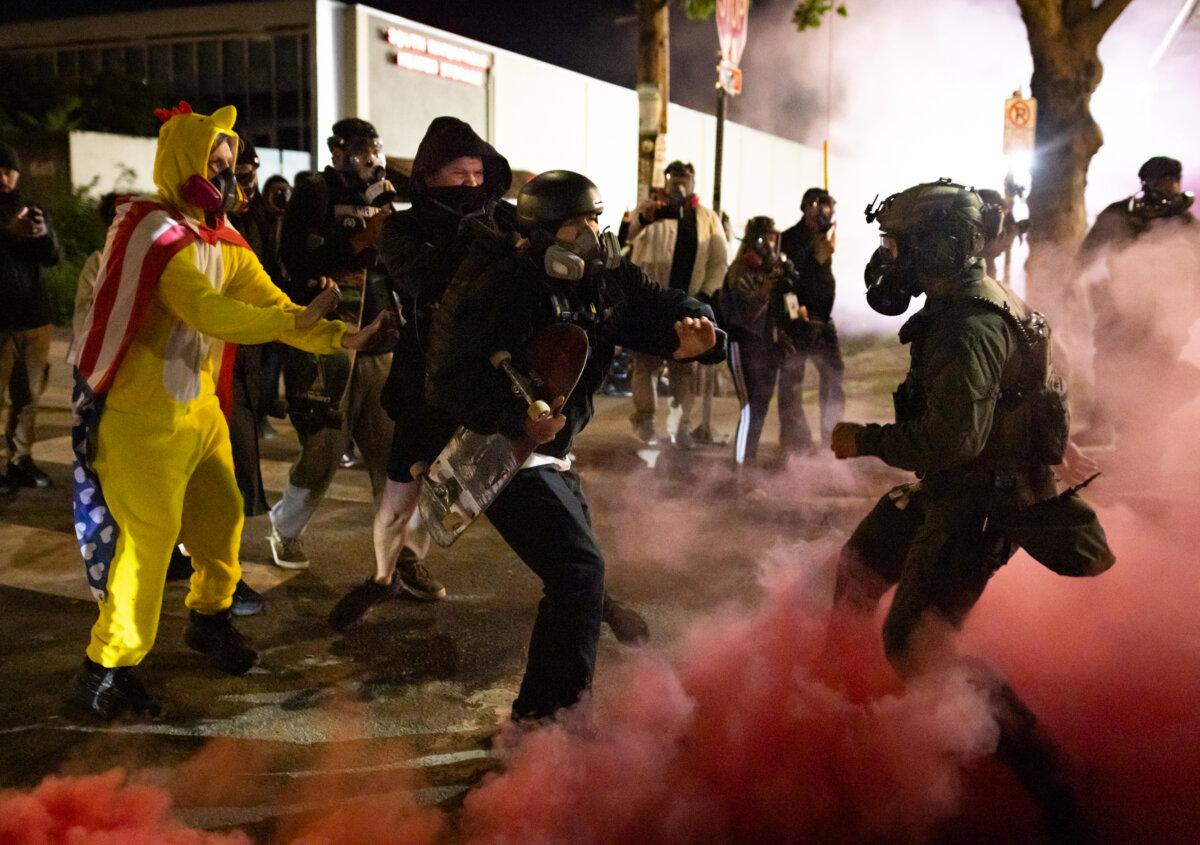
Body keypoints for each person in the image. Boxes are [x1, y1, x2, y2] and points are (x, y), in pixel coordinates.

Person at [66, 101, 390, 719]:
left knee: (223, 524)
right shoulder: (154, 232)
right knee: (148, 546)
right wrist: (290, 322)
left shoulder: (222, 238)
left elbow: (268, 299)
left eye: (231, 165)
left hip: (197, 416)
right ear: (183, 162)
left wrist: (333, 335)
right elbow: (212, 312)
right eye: (215, 164)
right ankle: (106, 666)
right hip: (141, 421)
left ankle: (209, 620)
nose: (227, 177)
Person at [828, 179, 1114, 838]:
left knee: (917, 646)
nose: (888, 259)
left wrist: (865, 440)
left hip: (978, 501)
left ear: (943, 245)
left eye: (897, 245)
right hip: (955, 484)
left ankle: (1054, 774)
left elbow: (954, 439)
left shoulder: (967, 323)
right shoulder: (966, 304)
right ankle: (836, 708)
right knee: (861, 563)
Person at [331, 118, 652, 645]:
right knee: (402, 496)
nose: (471, 184)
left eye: (479, 173)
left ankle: (593, 594)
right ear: (430, 177)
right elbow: (427, 281)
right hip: (426, 381)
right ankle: (384, 576)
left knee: (550, 487)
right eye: (459, 174)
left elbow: (549, 265)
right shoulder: (404, 231)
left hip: (500, 384)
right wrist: (485, 253)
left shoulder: (506, 222)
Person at [426, 170, 724, 720]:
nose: (593, 233)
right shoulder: (505, 285)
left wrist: (699, 334)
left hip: (554, 452)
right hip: (499, 450)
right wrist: (516, 414)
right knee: (577, 571)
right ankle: (547, 721)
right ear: (543, 234)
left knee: (580, 576)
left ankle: (553, 708)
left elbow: (661, 304)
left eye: (595, 218)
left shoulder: (604, 280)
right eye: (577, 224)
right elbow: (450, 379)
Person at [271, 118, 398, 571]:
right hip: (327, 342)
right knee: (323, 449)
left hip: (380, 343)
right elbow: (294, 259)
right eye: (357, 150)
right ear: (335, 151)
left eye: (373, 149)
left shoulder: (386, 194)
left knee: (389, 452)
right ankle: (285, 529)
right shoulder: (315, 191)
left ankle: (399, 554)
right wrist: (363, 238)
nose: (368, 160)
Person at [1077, 156, 1200, 463]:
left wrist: (1186, 312)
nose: (1170, 185)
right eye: (1163, 179)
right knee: (1110, 367)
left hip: (1165, 317)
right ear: (1146, 182)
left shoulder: (1187, 225)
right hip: (1118, 315)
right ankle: (1106, 426)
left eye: (1174, 178)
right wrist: (1090, 290)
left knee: (1153, 375)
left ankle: (1142, 445)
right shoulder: (1120, 216)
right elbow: (1086, 258)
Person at [626, 161, 728, 447]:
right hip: (648, 303)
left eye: (684, 178)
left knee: (684, 369)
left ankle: (681, 428)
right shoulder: (651, 209)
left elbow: (719, 261)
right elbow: (627, 235)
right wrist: (645, 218)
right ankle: (644, 424)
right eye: (673, 177)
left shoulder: (706, 218)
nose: (678, 183)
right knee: (646, 365)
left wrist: (705, 295)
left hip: (685, 305)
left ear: (693, 181)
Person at [720, 216, 810, 467]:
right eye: (767, 237)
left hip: (767, 345)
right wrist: (765, 290)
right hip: (743, 344)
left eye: (773, 237)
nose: (772, 243)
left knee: (760, 407)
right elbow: (744, 311)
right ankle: (741, 466)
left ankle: (747, 460)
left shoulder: (772, 269)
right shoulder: (741, 269)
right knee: (749, 408)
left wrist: (795, 310)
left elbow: (786, 300)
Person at [1, 141, 62, 495]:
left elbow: (53, 257)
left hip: (33, 319)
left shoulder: (31, 208)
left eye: (9, 170)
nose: (3, 177)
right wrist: (7, 233)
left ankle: (20, 459)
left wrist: (43, 235)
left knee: (28, 398)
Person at [780, 187, 845, 448]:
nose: (826, 212)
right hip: (799, 321)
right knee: (792, 379)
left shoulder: (824, 237)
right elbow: (786, 283)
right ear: (808, 208)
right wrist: (795, 313)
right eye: (822, 206)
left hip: (823, 321)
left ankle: (833, 436)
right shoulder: (789, 239)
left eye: (830, 207)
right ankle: (795, 440)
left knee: (833, 374)